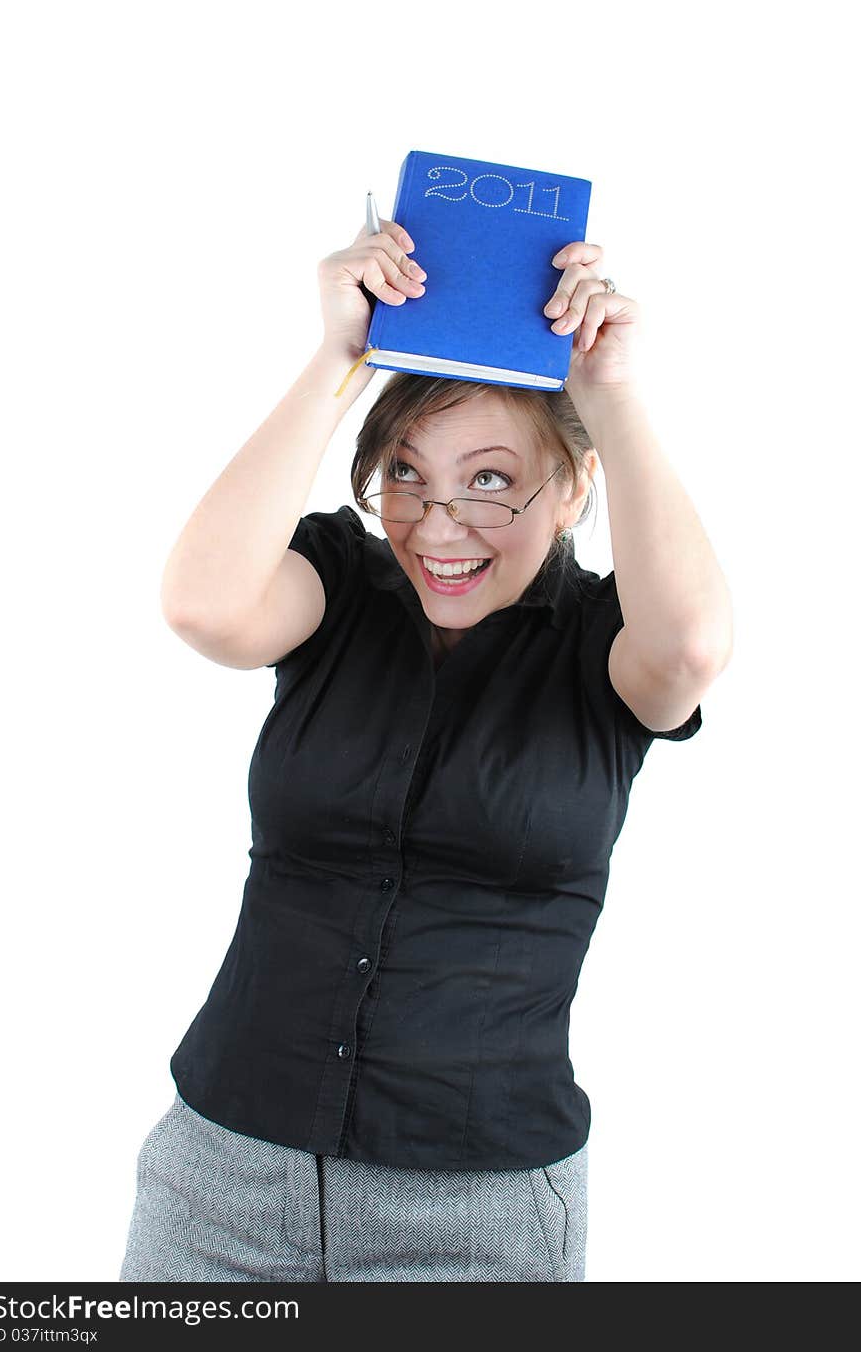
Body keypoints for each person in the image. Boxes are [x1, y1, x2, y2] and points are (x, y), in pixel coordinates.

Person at [119, 219, 732, 1283]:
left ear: (573, 487)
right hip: (221, 1171)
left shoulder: (604, 643)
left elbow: (686, 644)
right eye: (405, 473)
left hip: (474, 1210)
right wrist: (337, 358)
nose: (437, 525)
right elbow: (203, 605)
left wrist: (610, 393)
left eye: (491, 481)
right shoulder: (339, 585)